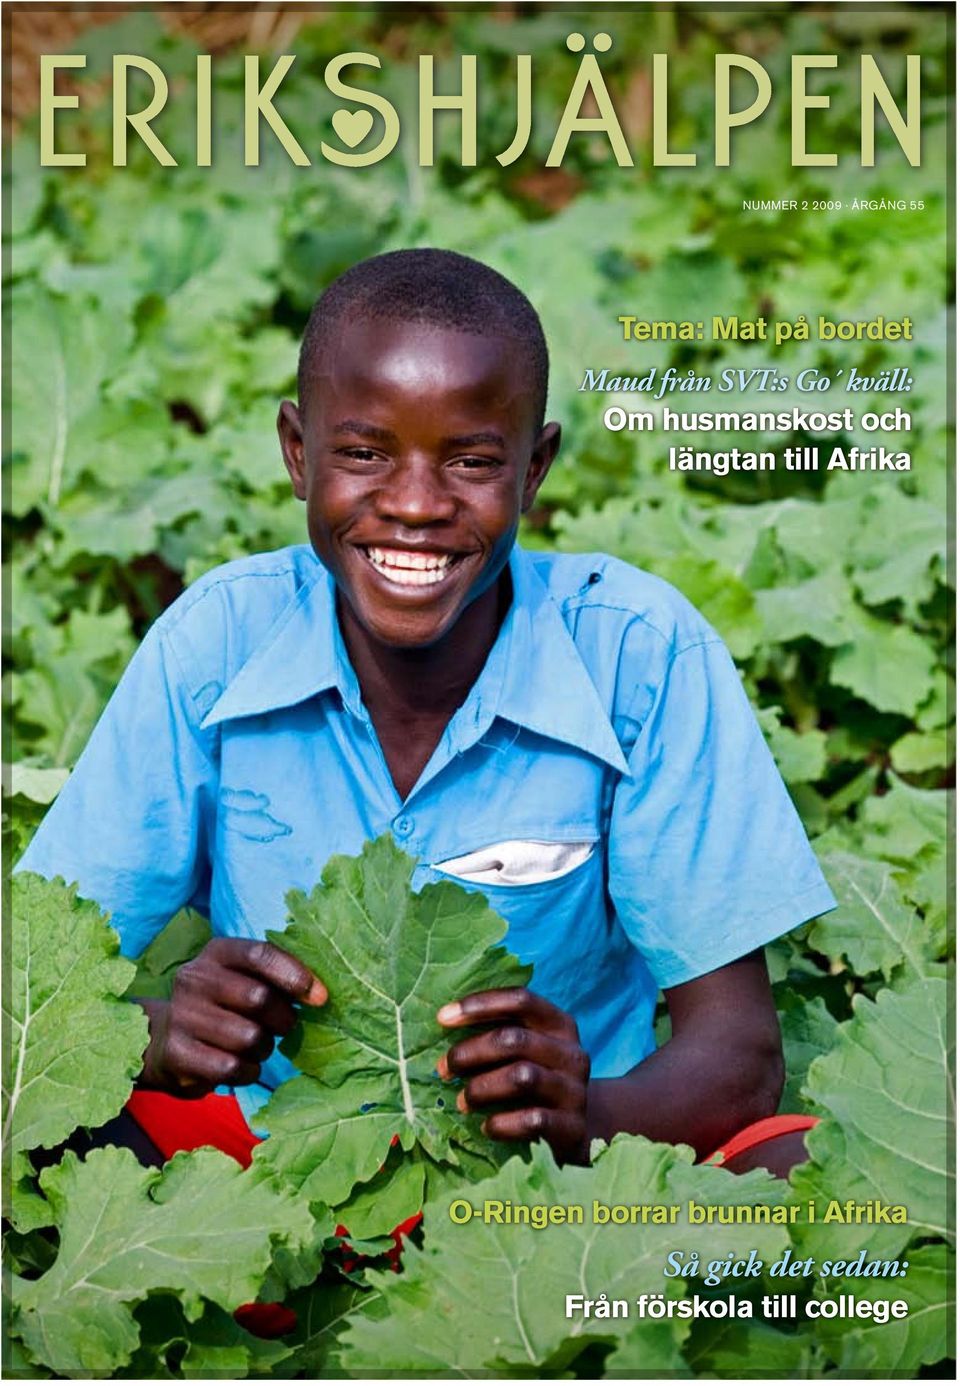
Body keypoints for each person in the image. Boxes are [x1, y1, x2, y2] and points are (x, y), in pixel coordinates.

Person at [19, 249, 835, 1180]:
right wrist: (159, 1037)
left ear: (535, 470)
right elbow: (31, 990)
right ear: (297, 452)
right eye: (363, 454)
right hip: (257, 1175)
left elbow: (739, 1057)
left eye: (474, 462)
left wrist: (586, 1112)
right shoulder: (216, 643)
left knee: (806, 1168)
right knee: (30, 1108)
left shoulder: (640, 655)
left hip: (552, 1190)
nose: (414, 505)